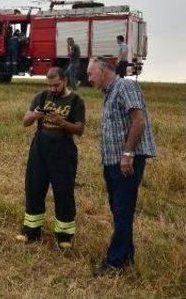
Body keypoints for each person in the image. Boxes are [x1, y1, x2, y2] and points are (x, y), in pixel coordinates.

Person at [87, 57, 156, 276]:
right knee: (119, 211)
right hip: (113, 163)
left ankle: (114, 263)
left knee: (123, 210)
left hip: (126, 162)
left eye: (90, 74)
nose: (88, 78)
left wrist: (128, 154)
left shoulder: (126, 86)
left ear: (104, 70)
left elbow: (138, 120)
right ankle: (127, 257)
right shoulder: (109, 93)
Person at [17, 67, 86, 249]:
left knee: (63, 191)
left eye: (56, 85)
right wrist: (35, 115)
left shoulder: (76, 100)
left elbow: (79, 129)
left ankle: (64, 235)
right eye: (50, 86)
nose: (53, 89)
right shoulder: (41, 97)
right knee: (34, 187)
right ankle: (31, 231)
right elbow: (25, 122)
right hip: (40, 149)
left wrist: (61, 122)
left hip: (63, 151)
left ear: (64, 81)